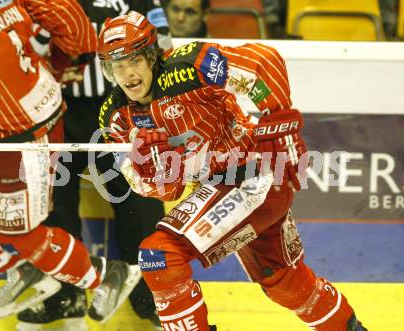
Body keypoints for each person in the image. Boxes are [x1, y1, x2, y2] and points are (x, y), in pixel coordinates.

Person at [97, 11, 368, 331]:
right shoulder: (115, 117)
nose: (128, 74)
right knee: (284, 282)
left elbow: (263, 63)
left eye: (134, 61)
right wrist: (149, 166)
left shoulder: (188, 67)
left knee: (159, 255)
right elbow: (164, 191)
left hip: (254, 175)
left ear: (152, 55)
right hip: (227, 188)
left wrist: (279, 125)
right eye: (117, 65)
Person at [0, 0, 140, 325]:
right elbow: (71, 18)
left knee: (21, 231)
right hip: (0, 117)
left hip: (20, 129)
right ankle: (21, 269)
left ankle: (107, 274)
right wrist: (68, 62)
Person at [15, 1, 173, 330]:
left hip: (121, 109)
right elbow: (24, 47)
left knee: (141, 195)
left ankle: (155, 298)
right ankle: (65, 295)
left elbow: (165, 47)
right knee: (53, 202)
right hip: (56, 109)